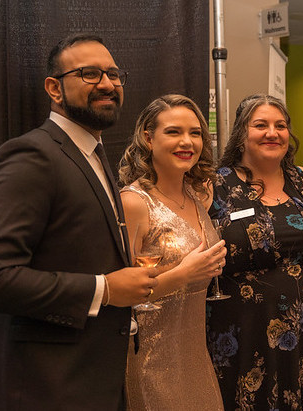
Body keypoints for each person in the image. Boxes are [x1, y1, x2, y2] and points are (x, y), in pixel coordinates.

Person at [0, 33, 158, 410]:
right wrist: (104, 290)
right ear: (54, 88)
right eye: (89, 74)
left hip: (96, 383)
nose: (107, 84)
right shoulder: (30, 155)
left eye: (114, 75)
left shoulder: (95, 154)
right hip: (45, 390)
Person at [207, 94, 303, 410]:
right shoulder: (214, 185)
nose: (272, 133)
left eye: (280, 125)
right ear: (241, 134)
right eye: (260, 125)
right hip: (245, 330)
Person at [118, 94, 226, 410]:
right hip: (151, 358)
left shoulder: (198, 195)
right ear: (148, 138)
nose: (187, 142)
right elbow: (121, 295)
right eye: (173, 132)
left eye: (195, 133)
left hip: (195, 354)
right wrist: (183, 275)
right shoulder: (134, 202)